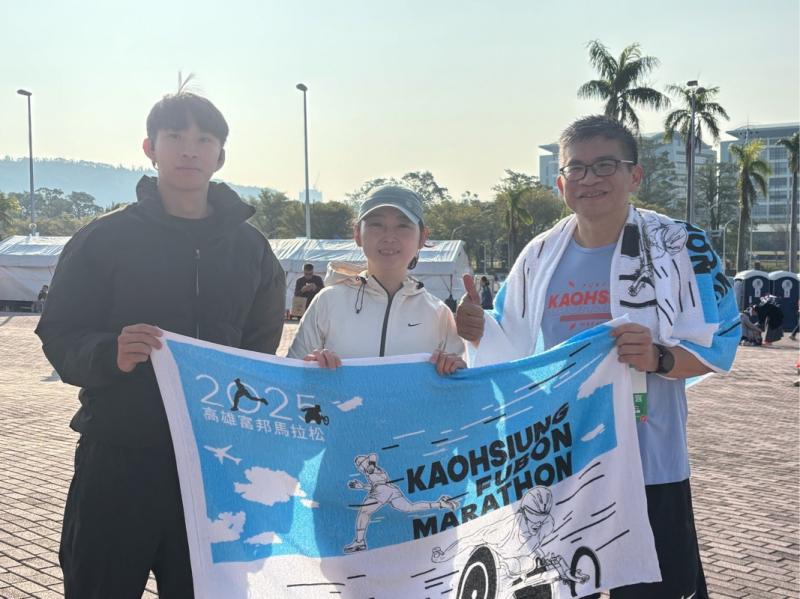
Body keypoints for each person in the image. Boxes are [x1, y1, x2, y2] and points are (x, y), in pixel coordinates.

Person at [456, 115, 740, 599]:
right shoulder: (539, 256)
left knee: (658, 591)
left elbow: (720, 343)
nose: (590, 179)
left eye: (606, 165)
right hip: (561, 466)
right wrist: (476, 328)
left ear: (635, 175)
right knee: (564, 589)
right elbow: (509, 349)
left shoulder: (679, 246)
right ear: (561, 183)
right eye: (577, 168)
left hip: (651, 461)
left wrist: (660, 358)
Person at [35, 89, 286, 599]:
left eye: (204, 139)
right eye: (175, 136)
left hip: (215, 465)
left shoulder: (252, 249)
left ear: (221, 155)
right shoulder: (104, 238)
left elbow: (258, 353)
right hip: (119, 456)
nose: (190, 149)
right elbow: (59, 330)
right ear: (150, 147)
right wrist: (108, 352)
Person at [288, 184, 465, 374]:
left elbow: (460, 384)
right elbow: (289, 379)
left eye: (403, 225)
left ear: (422, 237)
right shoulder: (327, 302)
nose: (389, 237)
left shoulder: (439, 314)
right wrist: (308, 367)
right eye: (376, 224)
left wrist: (457, 370)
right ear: (357, 234)